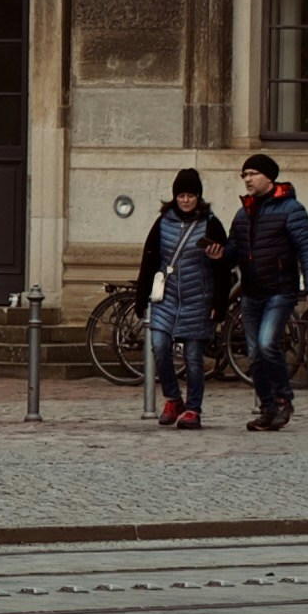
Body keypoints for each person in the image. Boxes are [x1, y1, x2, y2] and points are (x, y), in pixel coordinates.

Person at [229, 150, 308, 429]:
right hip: (251, 291)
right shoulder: (243, 212)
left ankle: (283, 400)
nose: (247, 179)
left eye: (253, 174)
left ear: (269, 177)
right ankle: (267, 407)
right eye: (244, 175)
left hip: (279, 290)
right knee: (255, 353)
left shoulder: (292, 210)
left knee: (269, 344)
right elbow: (233, 250)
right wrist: (217, 252)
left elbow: (306, 249)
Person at [135, 170, 226, 431]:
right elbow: (149, 260)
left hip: (199, 298)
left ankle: (193, 409)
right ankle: (173, 399)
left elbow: (223, 267)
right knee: (160, 346)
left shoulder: (211, 223)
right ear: (174, 197)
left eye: (191, 195)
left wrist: (219, 305)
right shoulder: (162, 222)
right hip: (167, 297)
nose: (186, 200)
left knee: (194, 357)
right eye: (181, 195)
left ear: (199, 197)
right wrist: (141, 299)